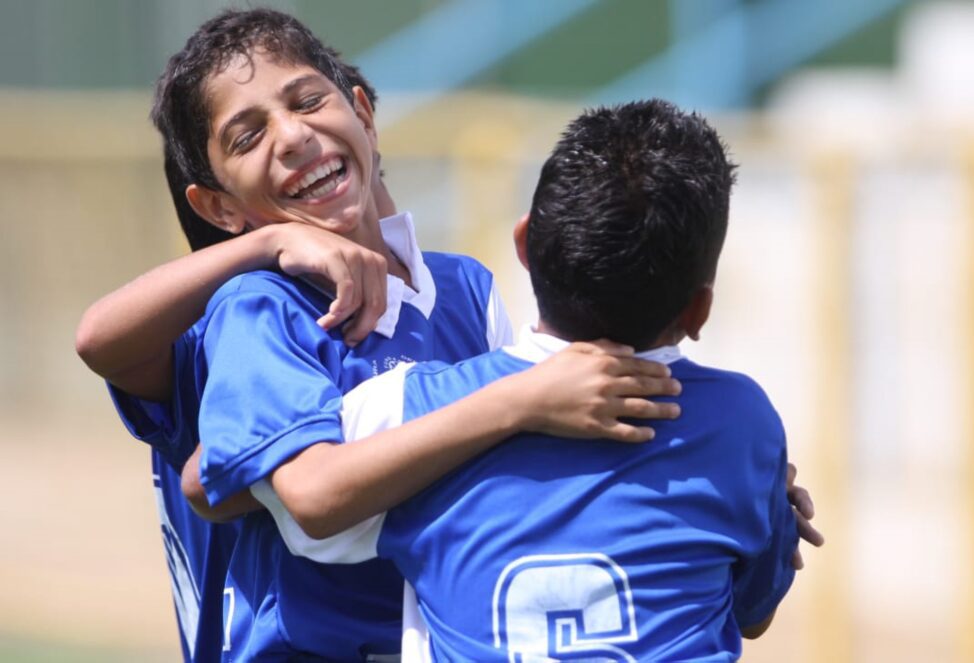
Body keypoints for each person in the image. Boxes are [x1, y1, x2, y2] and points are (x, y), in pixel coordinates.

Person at [75, 9, 682, 662]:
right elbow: (100, 341)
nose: (292, 135)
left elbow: (525, 444)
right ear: (220, 206)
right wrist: (274, 242)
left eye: (307, 100)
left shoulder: (464, 290)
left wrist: (707, 467)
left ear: (362, 114)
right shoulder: (249, 307)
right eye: (247, 137)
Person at [256, 100, 804, 661]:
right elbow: (752, 612)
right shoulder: (742, 422)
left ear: (523, 244)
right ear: (699, 311)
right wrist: (770, 506)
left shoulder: (408, 410)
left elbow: (267, 489)